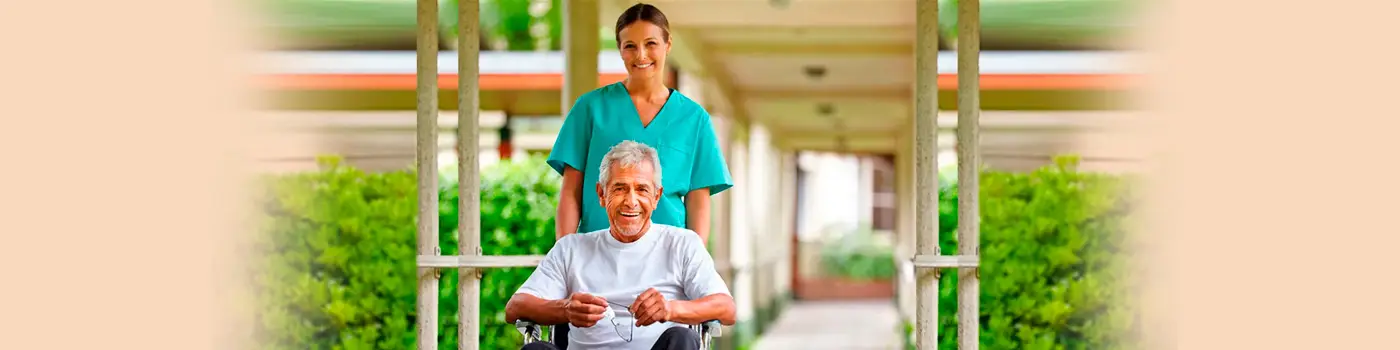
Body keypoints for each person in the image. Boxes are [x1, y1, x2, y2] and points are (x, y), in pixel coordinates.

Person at [507, 141, 736, 350]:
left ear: (657, 197)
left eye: (642, 189)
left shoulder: (683, 244)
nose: (631, 201)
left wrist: (670, 309)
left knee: (683, 338)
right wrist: (565, 309)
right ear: (601, 194)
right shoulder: (570, 249)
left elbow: (726, 309)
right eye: (619, 188)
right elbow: (515, 307)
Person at [547, 3, 732, 245]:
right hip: (597, 254)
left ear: (668, 44)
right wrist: (565, 255)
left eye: (651, 44)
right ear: (620, 50)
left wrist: (694, 263)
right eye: (630, 46)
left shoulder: (694, 118)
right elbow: (571, 191)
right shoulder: (590, 108)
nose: (641, 55)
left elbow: (699, 201)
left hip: (667, 257)